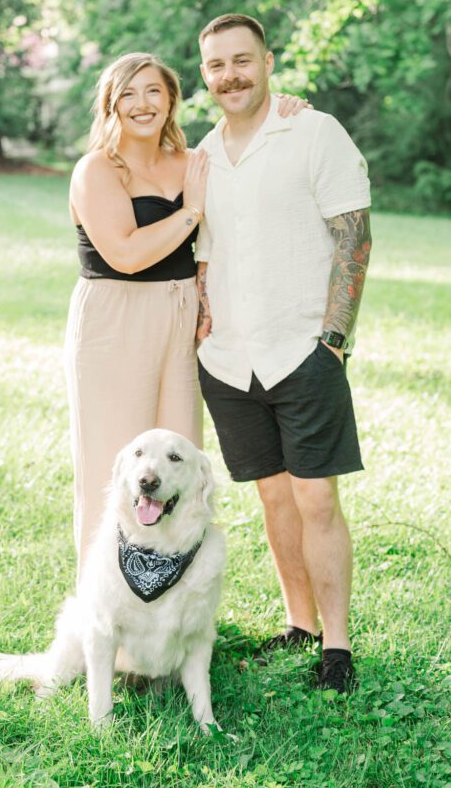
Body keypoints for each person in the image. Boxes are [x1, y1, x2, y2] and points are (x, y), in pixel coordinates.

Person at [65, 51, 309, 581]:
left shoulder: (194, 161)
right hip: (115, 319)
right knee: (119, 466)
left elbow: (252, 154)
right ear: (110, 105)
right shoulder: (97, 170)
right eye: (127, 94)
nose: (141, 104)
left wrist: (284, 111)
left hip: (181, 320)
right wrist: (191, 212)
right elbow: (125, 254)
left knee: (178, 464)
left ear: (172, 99)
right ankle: (112, 626)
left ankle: (170, 617)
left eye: (153, 91)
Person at [195, 13, 372, 693]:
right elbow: (205, 259)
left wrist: (332, 339)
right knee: (272, 497)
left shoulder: (313, 131)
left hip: (302, 349)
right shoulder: (203, 155)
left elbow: (352, 236)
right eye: (216, 65)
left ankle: (336, 646)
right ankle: (297, 623)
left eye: (242, 60)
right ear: (204, 74)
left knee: (315, 499)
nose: (230, 75)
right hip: (228, 360)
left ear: (267, 62)